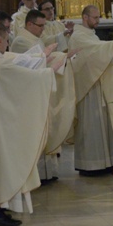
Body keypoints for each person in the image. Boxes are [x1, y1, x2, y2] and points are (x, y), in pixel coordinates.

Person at [0, 24, 61, 226]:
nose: (8, 44)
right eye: (7, 41)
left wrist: (42, 58)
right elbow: (23, 80)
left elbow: (19, 66)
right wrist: (49, 72)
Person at [10, 9, 77, 183]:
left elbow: (46, 46)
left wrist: (62, 51)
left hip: (41, 91)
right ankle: (38, 174)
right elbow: (32, 63)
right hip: (30, 95)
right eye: (40, 26)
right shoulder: (20, 41)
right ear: (29, 24)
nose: (43, 29)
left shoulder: (34, 38)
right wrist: (62, 56)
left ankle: (49, 172)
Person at [69, 5, 113, 175]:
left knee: (102, 125)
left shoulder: (90, 35)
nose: (98, 21)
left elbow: (98, 52)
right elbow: (94, 53)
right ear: (85, 18)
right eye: (95, 18)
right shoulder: (78, 36)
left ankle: (105, 162)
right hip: (87, 88)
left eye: (98, 17)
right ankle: (90, 164)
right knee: (91, 126)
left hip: (97, 84)